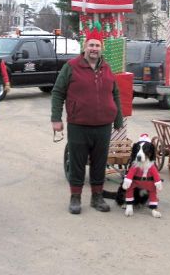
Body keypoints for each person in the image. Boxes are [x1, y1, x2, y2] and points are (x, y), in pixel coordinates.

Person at [51, 24, 123, 214]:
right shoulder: (71, 67)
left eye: (97, 46)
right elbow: (58, 93)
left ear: (101, 48)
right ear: (85, 47)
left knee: (100, 163)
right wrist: (55, 119)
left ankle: (97, 198)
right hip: (78, 124)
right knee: (77, 162)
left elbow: (115, 94)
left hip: (103, 125)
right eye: (91, 45)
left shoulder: (107, 68)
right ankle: (75, 198)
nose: (94, 49)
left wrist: (118, 120)